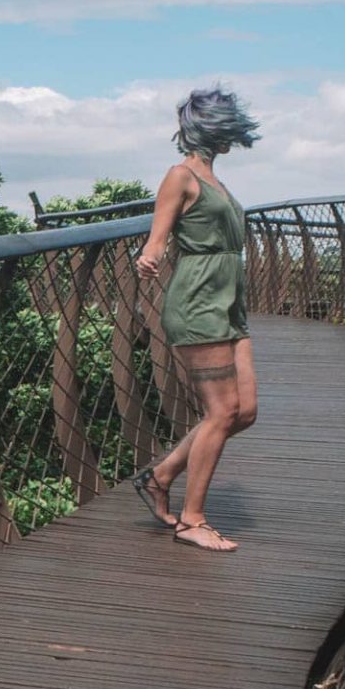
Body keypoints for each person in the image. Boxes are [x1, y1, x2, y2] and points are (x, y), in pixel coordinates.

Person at [132, 87, 259, 552]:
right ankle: (192, 520)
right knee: (221, 412)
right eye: (228, 130)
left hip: (228, 302)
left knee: (244, 412)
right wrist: (147, 260)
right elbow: (156, 242)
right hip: (198, 301)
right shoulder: (180, 176)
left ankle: (160, 476)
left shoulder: (214, 179)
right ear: (212, 130)